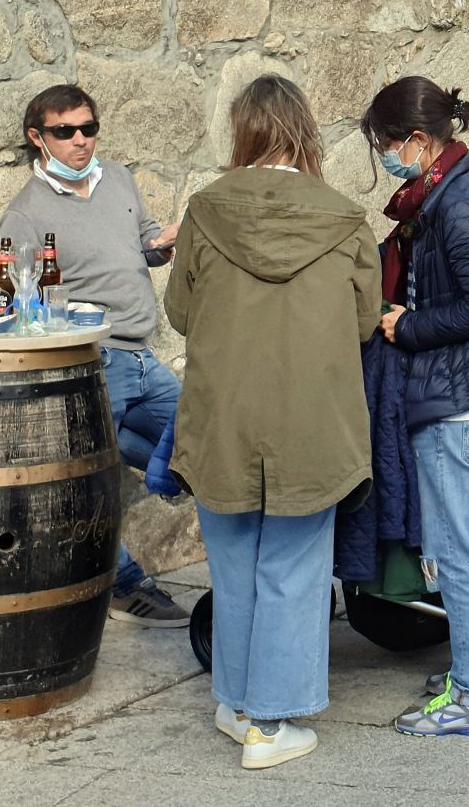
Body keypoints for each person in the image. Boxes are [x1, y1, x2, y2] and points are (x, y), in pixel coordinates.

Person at [163, 76, 379, 770]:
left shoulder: (204, 209)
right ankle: (272, 719)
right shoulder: (345, 218)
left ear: (243, 131)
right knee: (292, 564)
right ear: (304, 131)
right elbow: (364, 320)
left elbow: (181, 312)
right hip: (310, 416)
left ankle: (235, 702)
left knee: (232, 564)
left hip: (222, 412)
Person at [363, 77, 469, 740]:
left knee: (463, 550)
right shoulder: (445, 192)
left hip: (464, 400)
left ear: (419, 141)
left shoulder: (457, 204)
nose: (382, 155)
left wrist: (410, 324)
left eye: (384, 144)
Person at [0, 84, 188, 629]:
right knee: (89, 482)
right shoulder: (25, 216)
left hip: (144, 357)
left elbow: (144, 242)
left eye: (89, 128)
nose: (81, 141)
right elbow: (12, 300)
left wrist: (166, 241)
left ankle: (250, 565)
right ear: (38, 138)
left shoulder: (118, 179)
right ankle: (124, 586)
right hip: (94, 362)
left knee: (206, 437)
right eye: (65, 131)